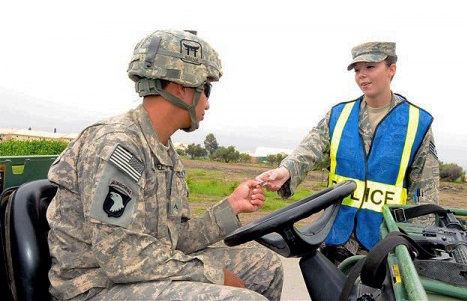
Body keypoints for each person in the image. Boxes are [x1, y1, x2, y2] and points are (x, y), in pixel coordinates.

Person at [47, 30, 283, 300]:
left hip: (135, 274)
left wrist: (231, 207)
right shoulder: (119, 145)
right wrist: (213, 274)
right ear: (183, 86)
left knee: (266, 267)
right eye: (205, 89)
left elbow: (172, 241)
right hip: (95, 287)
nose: (207, 102)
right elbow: (122, 256)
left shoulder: (163, 151)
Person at [257, 42, 440, 263]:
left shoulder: (417, 122)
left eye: (370, 67)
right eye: (357, 70)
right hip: (334, 237)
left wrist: (417, 250)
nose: (362, 75)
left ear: (391, 69)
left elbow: (425, 191)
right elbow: (309, 150)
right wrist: (285, 170)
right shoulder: (339, 115)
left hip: (383, 244)